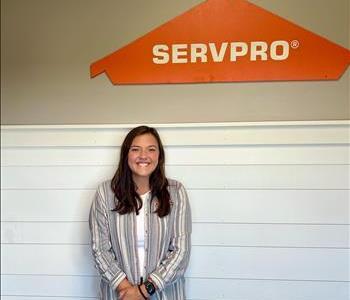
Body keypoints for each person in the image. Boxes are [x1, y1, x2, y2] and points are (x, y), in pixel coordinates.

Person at [89, 125, 192, 300]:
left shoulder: (176, 191)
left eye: (151, 149)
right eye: (136, 149)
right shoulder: (105, 193)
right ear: (125, 155)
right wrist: (127, 291)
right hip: (119, 295)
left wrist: (142, 292)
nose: (143, 156)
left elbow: (180, 252)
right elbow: (100, 248)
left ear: (159, 156)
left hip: (165, 295)